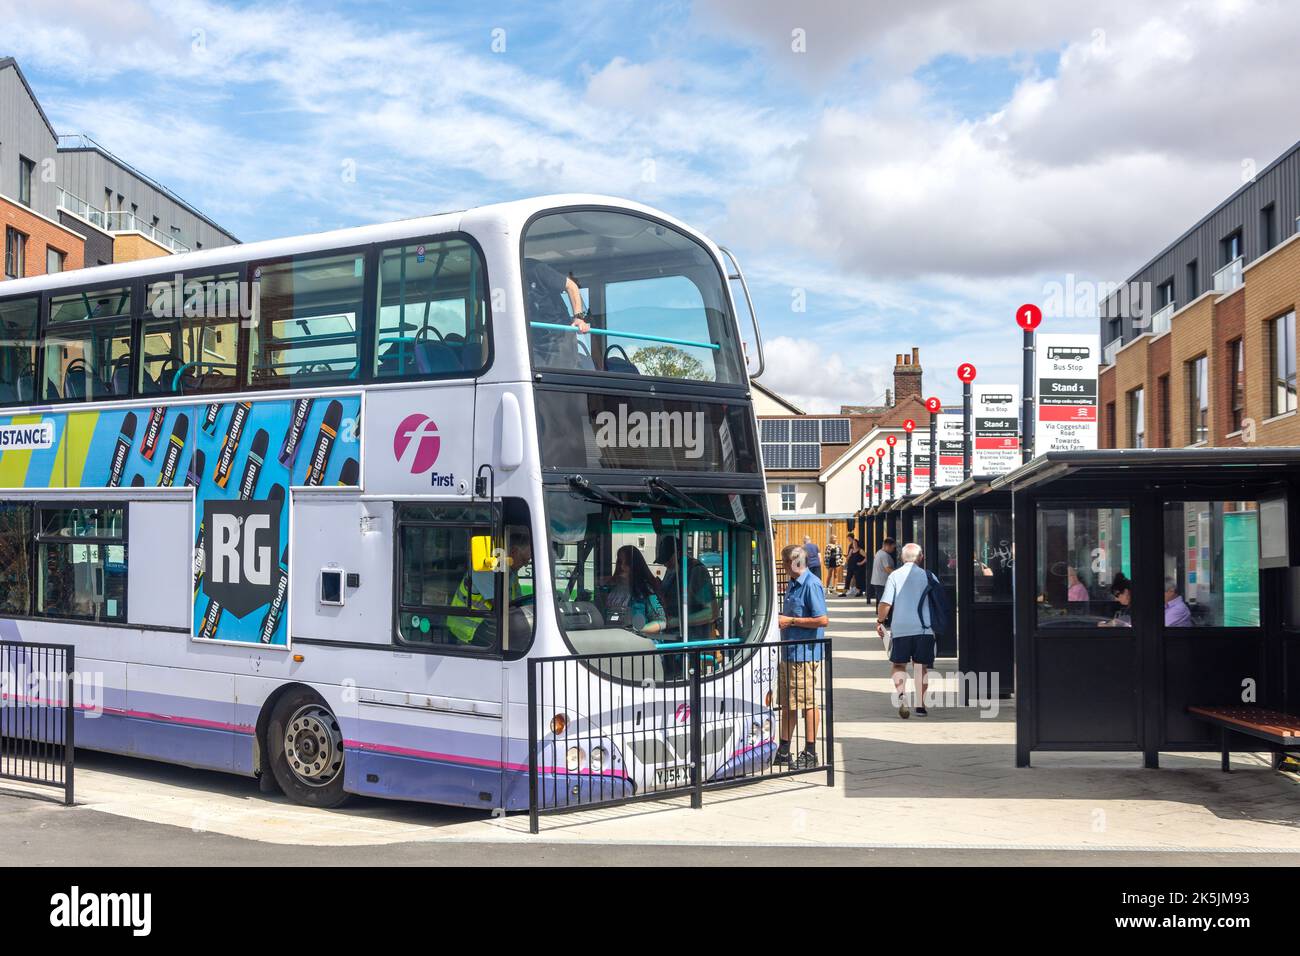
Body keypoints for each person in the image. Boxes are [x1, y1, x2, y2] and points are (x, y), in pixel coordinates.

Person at [775, 544, 828, 769]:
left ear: (794, 563)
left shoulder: (811, 585)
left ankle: (810, 751)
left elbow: (822, 619)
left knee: (807, 702)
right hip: (790, 651)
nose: (784, 567)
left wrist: (791, 621)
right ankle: (784, 749)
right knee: (789, 702)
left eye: (785, 562)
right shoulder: (793, 583)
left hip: (804, 654)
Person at [876, 542, 935, 718]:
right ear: (921, 557)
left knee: (899, 664)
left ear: (902, 558)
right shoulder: (929, 576)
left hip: (901, 628)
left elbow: (885, 603)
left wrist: (880, 621)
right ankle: (921, 706)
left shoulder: (895, 576)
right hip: (924, 628)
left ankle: (902, 697)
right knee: (920, 667)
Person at [448, 529, 533, 646]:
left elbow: (517, 602)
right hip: (465, 631)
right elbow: (501, 605)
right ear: (513, 552)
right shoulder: (486, 570)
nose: (525, 565)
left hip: (487, 623)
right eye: (524, 560)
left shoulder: (511, 572)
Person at [656, 535, 716, 679]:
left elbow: (711, 612)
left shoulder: (697, 571)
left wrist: (678, 621)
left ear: (678, 554)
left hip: (691, 643)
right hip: (673, 640)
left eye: (667, 560)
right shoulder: (672, 569)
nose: (665, 565)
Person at [524, 258, 592, 369]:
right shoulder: (498, 280)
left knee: (560, 376)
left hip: (560, 338)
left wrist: (578, 318)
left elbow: (571, 286)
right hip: (532, 342)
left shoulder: (534, 268)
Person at [605, 545, 667, 636]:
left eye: (627, 563)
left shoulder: (645, 590)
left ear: (636, 565)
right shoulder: (611, 589)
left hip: (639, 645)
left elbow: (662, 622)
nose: (622, 567)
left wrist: (636, 630)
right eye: (620, 562)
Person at [870, 537, 897, 605]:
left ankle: (880, 613)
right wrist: (898, 574)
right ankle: (882, 614)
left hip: (878, 581)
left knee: (880, 601)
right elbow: (887, 569)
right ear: (887, 546)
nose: (893, 550)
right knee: (884, 602)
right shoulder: (884, 555)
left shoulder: (879, 552)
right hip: (882, 582)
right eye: (893, 547)